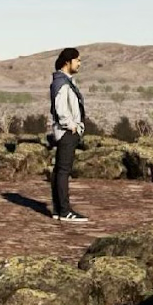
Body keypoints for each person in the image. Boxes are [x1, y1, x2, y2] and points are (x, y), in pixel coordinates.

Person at [47, 46, 90, 223]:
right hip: (66, 132)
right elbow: (61, 109)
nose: (79, 63)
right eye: (77, 60)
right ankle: (65, 211)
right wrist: (71, 126)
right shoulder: (62, 83)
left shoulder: (65, 81)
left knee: (59, 171)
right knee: (63, 171)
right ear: (68, 61)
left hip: (66, 131)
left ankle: (59, 209)